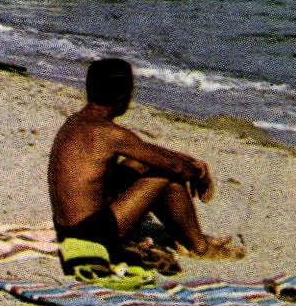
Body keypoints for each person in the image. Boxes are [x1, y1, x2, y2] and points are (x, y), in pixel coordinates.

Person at [48, 58, 244, 266]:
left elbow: (149, 153)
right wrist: (199, 175)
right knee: (166, 177)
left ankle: (189, 238)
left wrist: (193, 162)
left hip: (68, 229)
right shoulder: (110, 134)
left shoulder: (76, 123)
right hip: (91, 236)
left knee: (139, 164)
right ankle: (200, 248)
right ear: (124, 96)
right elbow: (173, 167)